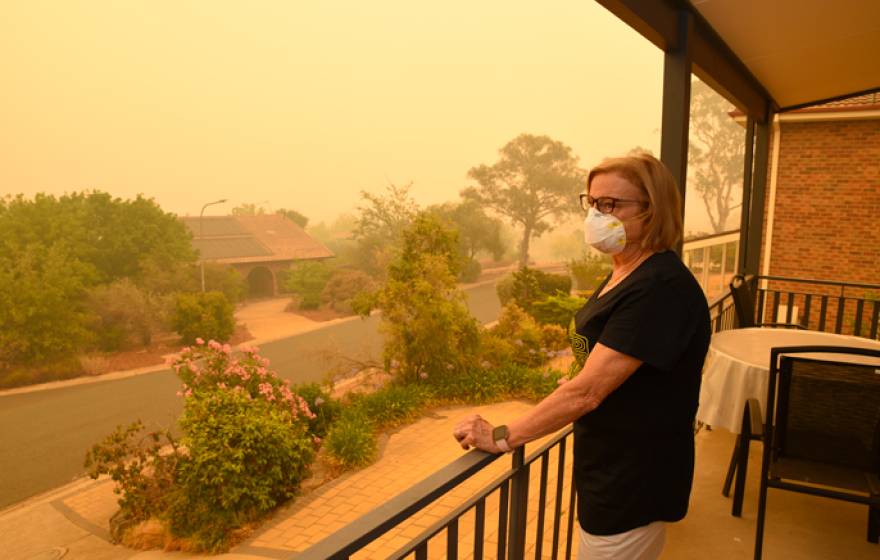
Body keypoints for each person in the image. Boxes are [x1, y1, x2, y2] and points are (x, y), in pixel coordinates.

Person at [453, 153, 710, 560]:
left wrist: (502, 437)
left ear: (652, 211)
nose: (597, 214)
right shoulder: (626, 270)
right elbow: (607, 368)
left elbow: (587, 394)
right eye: (592, 202)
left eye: (611, 204)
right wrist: (581, 380)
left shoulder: (659, 288)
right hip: (610, 466)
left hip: (633, 479)